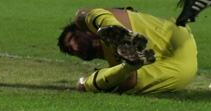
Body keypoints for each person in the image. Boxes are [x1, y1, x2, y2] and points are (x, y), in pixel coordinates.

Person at [57, 7, 197, 94]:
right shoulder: (113, 68)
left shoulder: (112, 18)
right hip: (180, 69)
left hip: (171, 35)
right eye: (70, 50)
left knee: (81, 16)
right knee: (84, 83)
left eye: (74, 38)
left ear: (86, 31)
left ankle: (122, 34)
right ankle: (129, 63)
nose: (75, 47)